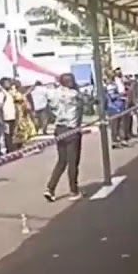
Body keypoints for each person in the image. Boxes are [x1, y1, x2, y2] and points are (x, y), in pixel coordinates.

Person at [45, 73, 85, 202]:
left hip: (59, 128)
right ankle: (73, 190)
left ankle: (50, 188)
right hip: (72, 129)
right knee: (73, 162)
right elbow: (87, 102)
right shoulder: (75, 95)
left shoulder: (53, 94)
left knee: (61, 160)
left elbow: (49, 109)